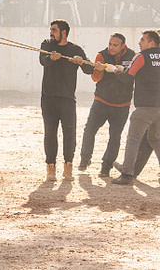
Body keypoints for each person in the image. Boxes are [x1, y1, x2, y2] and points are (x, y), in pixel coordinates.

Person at [39, 20, 91, 182]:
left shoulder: (75, 49)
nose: (51, 32)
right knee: (50, 132)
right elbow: (43, 60)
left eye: (54, 30)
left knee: (69, 133)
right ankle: (51, 167)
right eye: (50, 30)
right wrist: (51, 59)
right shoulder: (47, 45)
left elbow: (89, 69)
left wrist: (81, 61)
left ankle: (68, 166)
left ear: (64, 32)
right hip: (48, 98)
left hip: (68, 98)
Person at [77, 33, 135, 177]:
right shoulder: (101, 56)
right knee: (89, 130)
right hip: (101, 101)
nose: (111, 48)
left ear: (123, 46)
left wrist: (115, 68)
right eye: (110, 44)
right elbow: (95, 78)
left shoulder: (133, 56)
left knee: (115, 137)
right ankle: (85, 159)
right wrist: (98, 69)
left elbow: (130, 78)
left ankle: (106, 167)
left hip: (122, 104)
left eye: (115, 45)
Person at [113, 30, 160, 185]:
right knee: (155, 139)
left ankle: (126, 173)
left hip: (145, 107)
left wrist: (115, 70)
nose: (139, 43)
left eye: (142, 40)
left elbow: (127, 78)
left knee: (133, 139)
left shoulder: (141, 56)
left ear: (151, 42)